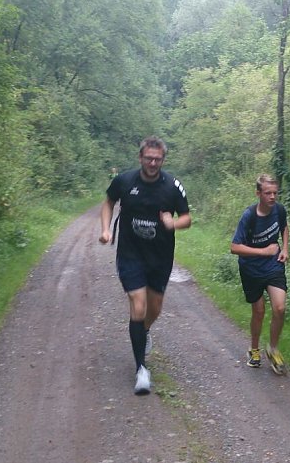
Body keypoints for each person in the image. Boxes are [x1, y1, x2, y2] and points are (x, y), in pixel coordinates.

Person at [99, 136, 191, 395]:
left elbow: (187, 218)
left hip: (160, 257)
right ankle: (141, 369)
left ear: (163, 160)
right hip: (130, 254)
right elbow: (108, 202)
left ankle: (144, 331)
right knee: (137, 305)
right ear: (140, 157)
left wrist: (173, 223)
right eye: (148, 158)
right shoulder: (125, 181)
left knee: (154, 308)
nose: (152, 163)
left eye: (157, 159)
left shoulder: (172, 186)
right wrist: (105, 229)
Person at [230, 174, 290, 374]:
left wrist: (285, 249)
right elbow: (234, 247)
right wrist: (263, 251)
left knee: (280, 308)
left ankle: (272, 349)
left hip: (273, 266)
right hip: (251, 268)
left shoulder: (279, 210)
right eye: (267, 193)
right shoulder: (249, 216)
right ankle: (254, 349)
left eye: (275, 193)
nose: (272, 197)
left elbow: (284, 227)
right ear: (258, 194)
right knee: (259, 311)